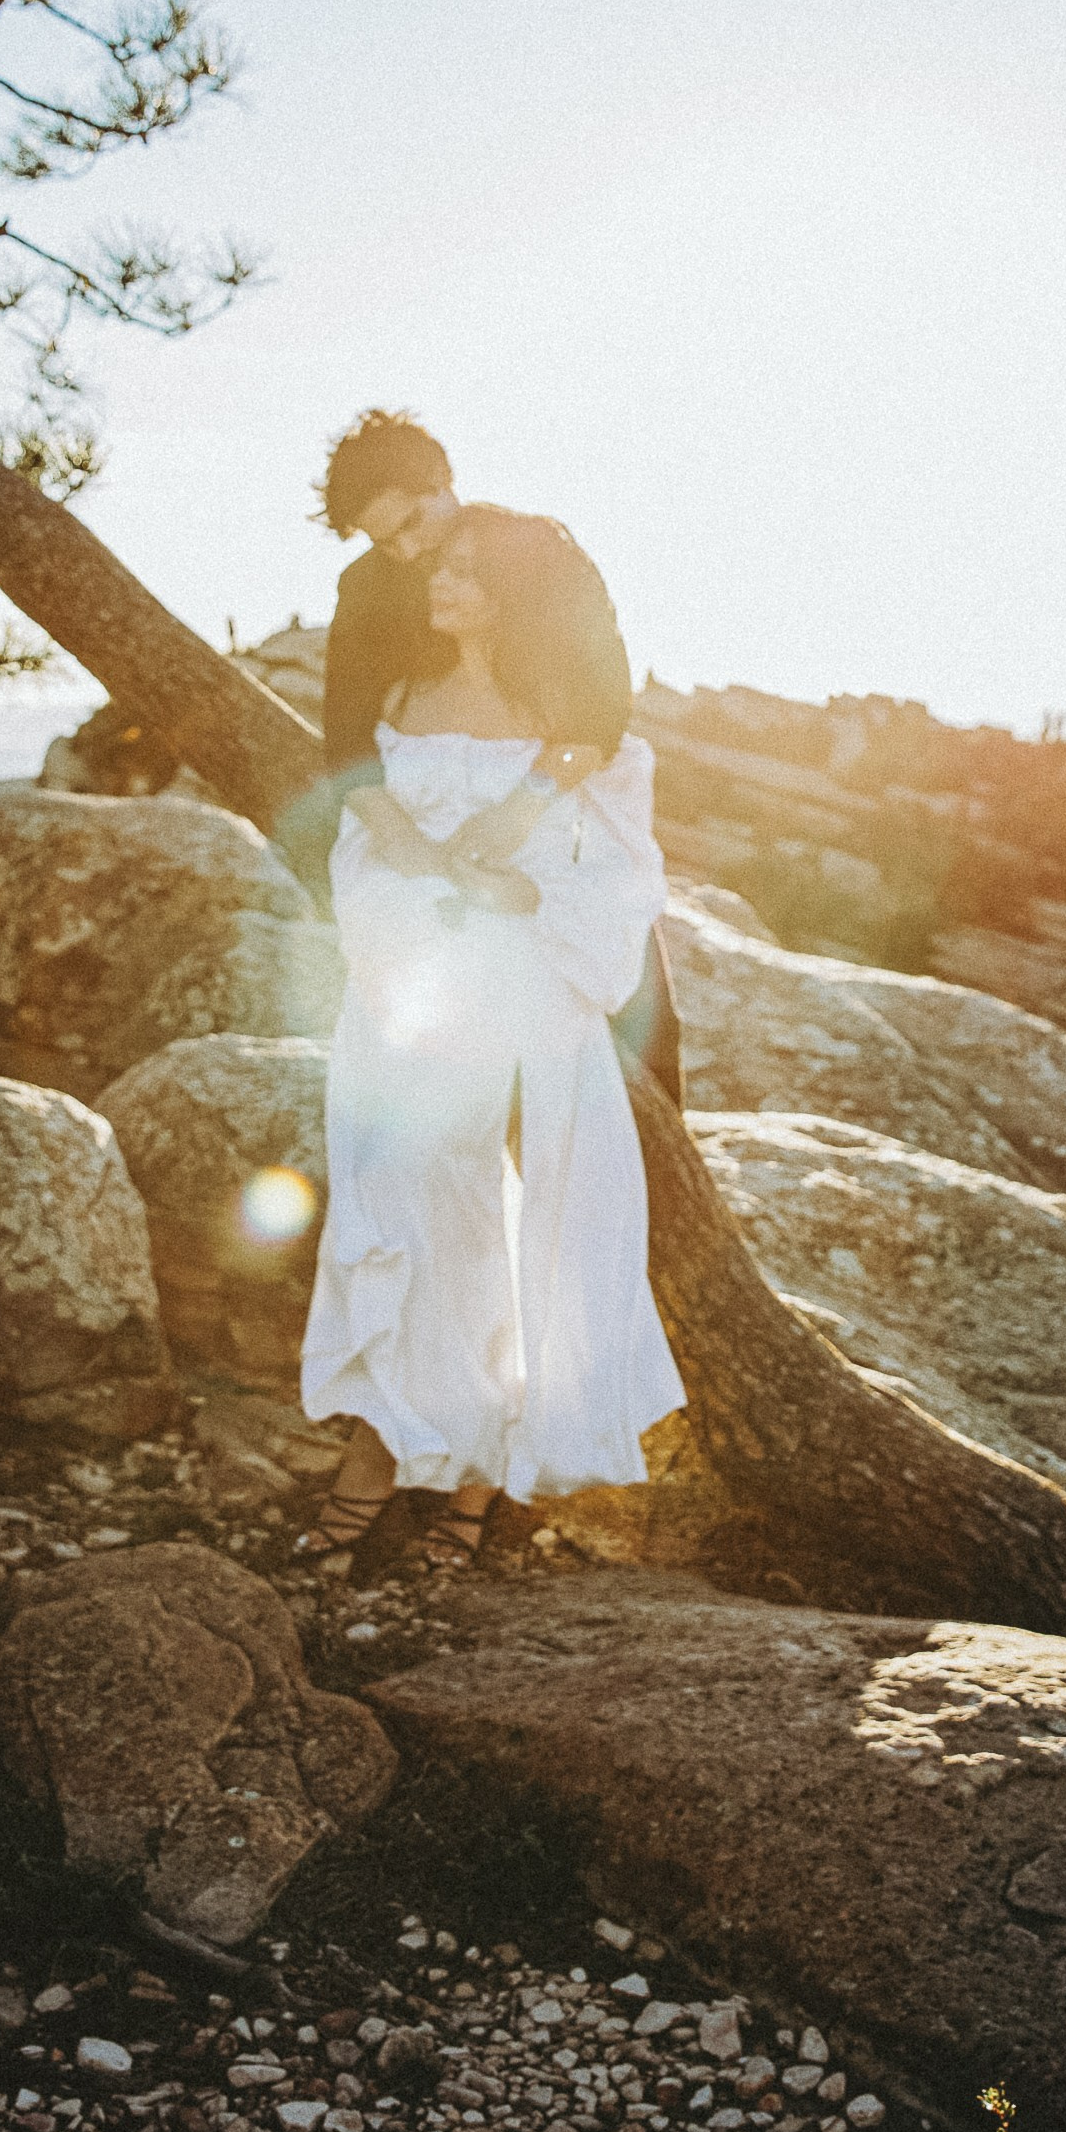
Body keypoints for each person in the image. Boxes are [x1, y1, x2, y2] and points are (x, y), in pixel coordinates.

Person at [295, 505, 687, 1571]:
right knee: (403, 1209)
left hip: (523, 994)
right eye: (443, 568)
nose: (441, 583)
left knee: (518, 1224)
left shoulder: (562, 720)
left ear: (513, 595)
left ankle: (475, 1479)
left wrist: (519, 891)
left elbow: (613, 862)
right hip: (410, 992)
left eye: (469, 573)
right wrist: (410, 904)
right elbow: (357, 847)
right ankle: (384, 1451)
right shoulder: (398, 694)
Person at [285, 409, 683, 1106]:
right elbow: (345, 734)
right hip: (421, 821)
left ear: (443, 482)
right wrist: (403, 842)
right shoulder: (367, 586)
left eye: (411, 522)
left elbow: (604, 708)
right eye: (385, 540)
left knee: (632, 1003)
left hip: (549, 808)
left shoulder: (539, 549)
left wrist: (522, 808)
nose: (406, 551)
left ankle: (658, 1175)